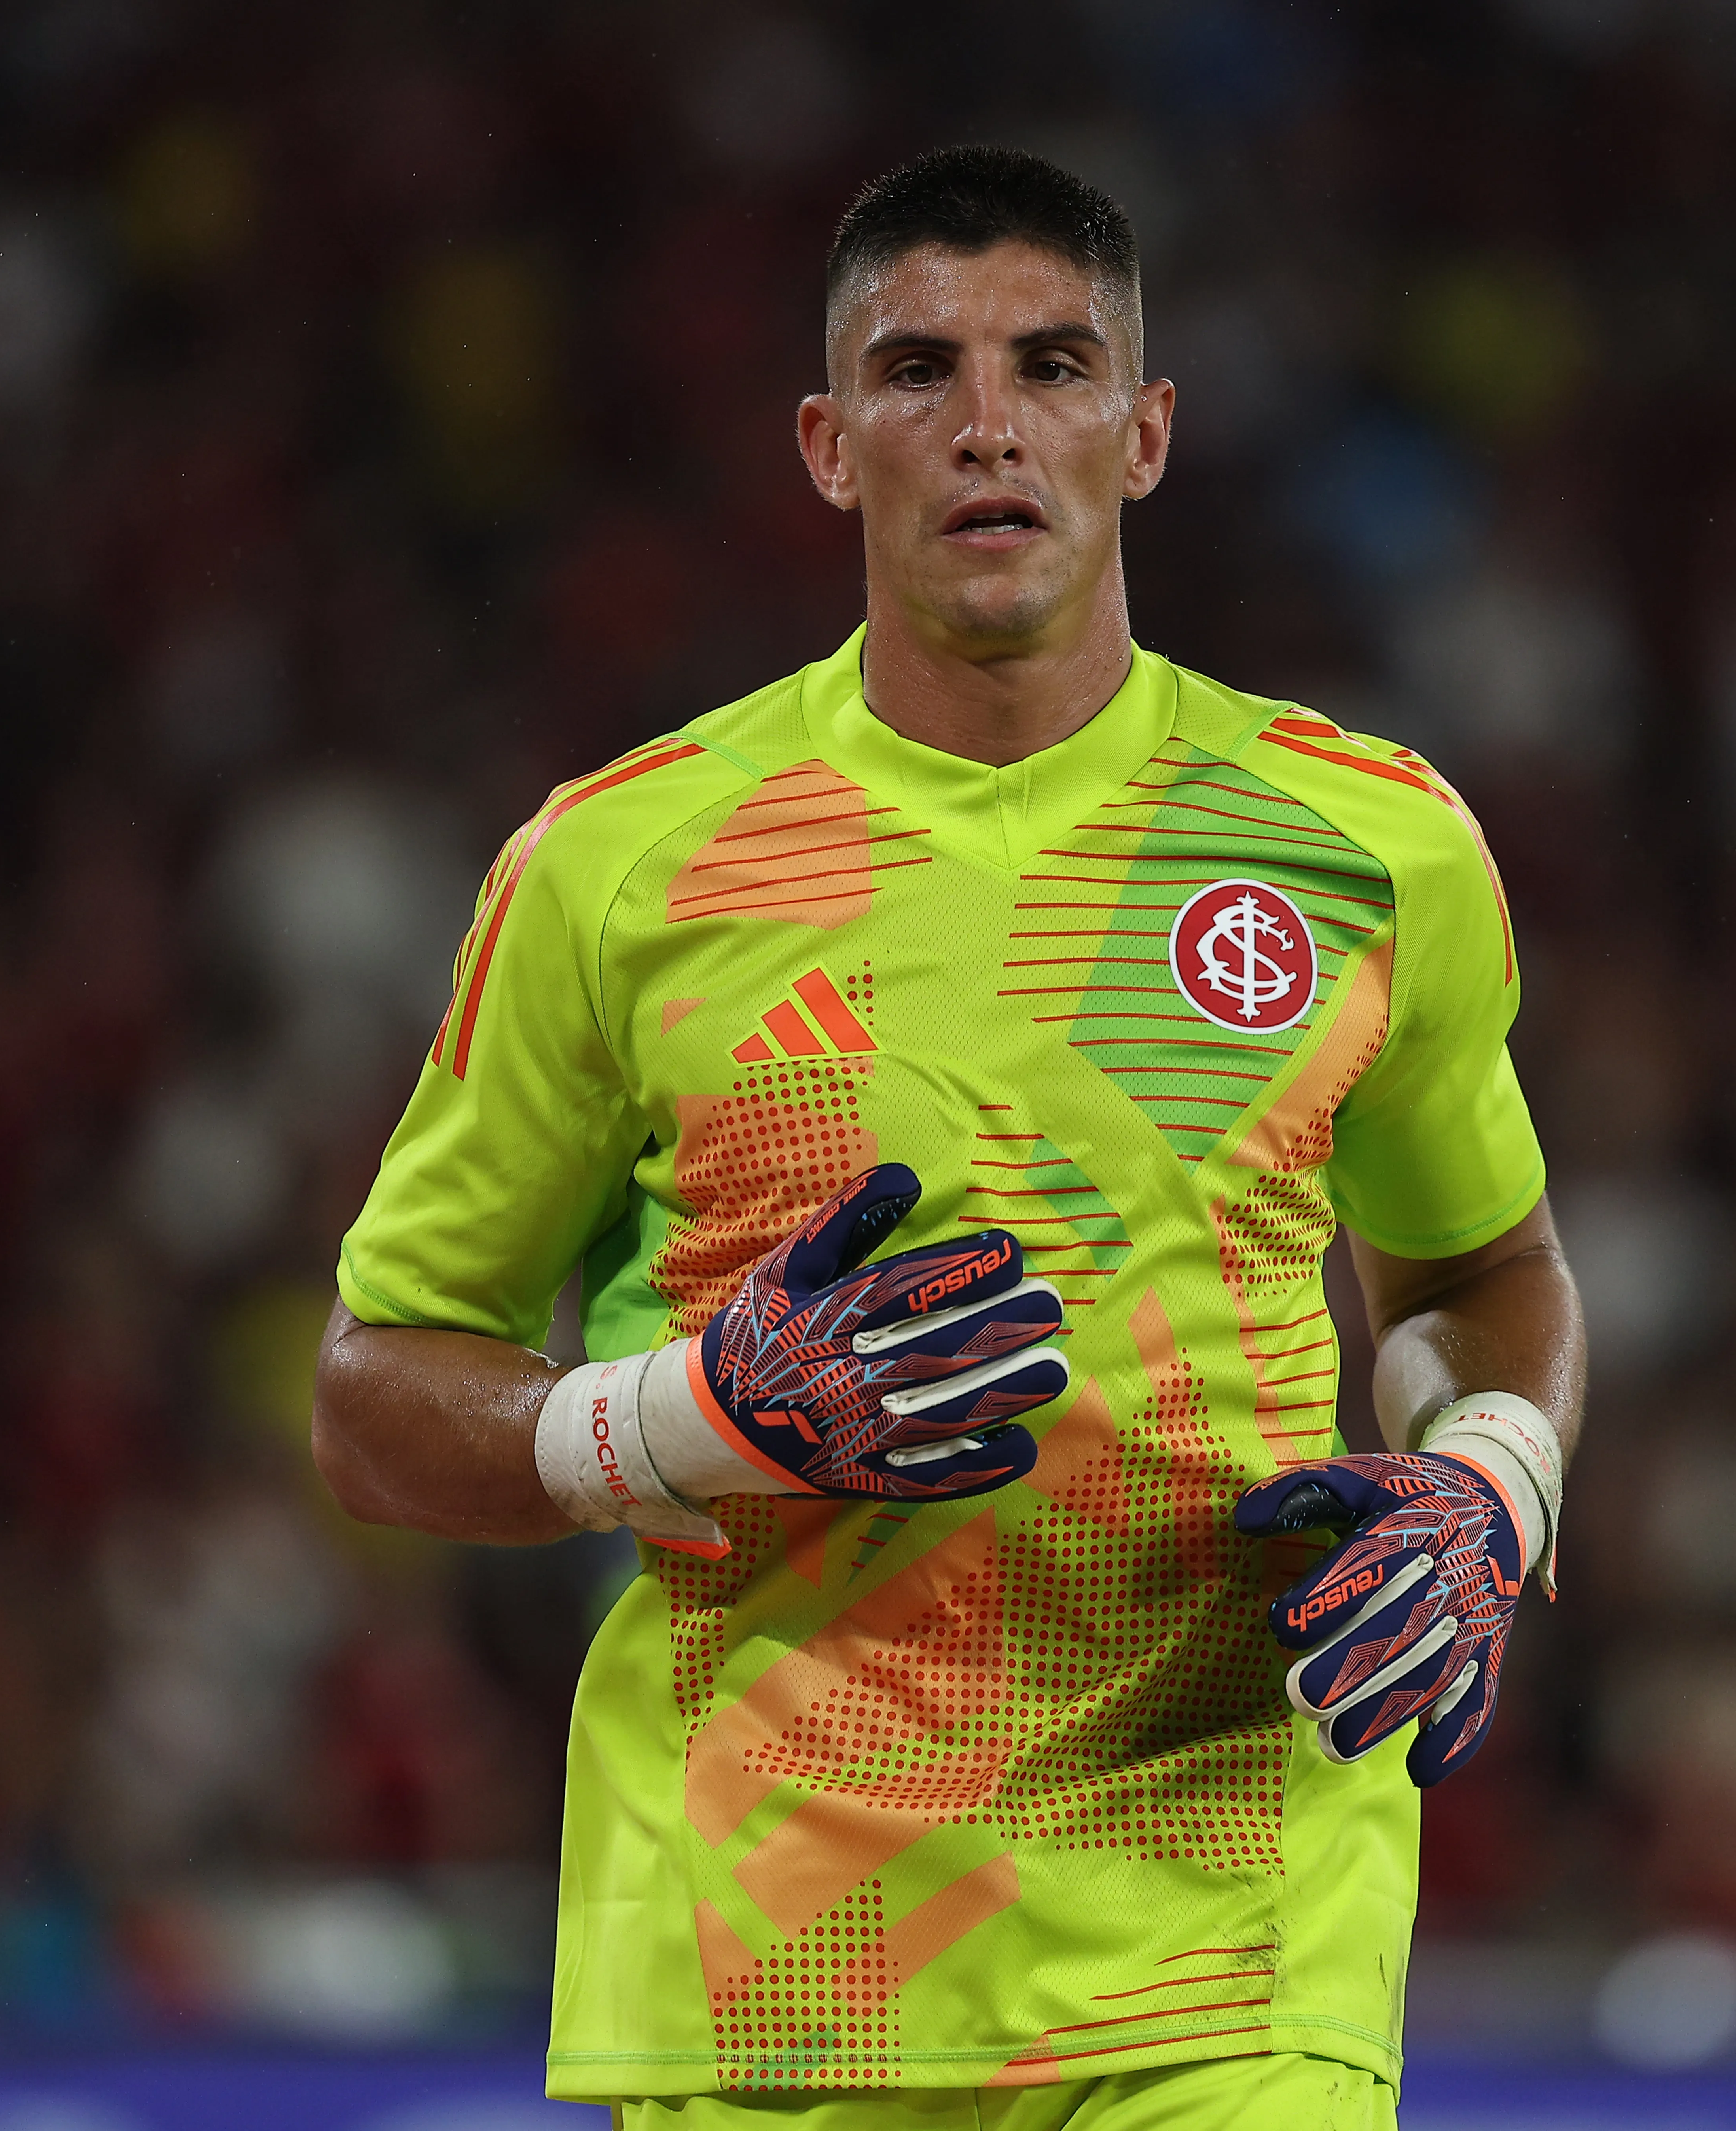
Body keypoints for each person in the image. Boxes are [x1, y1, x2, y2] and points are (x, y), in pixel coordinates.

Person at [313, 146, 1585, 2129]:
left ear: (1145, 433)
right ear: (828, 447)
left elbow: (1478, 1275)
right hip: (773, 1964)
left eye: (1055, 364)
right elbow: (377, 1387)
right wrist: (676, 1425)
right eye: (919, 373)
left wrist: (1489, 1478)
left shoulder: (1361, 842)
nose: (989, 426)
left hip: (1231, 1939)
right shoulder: (619, 865)